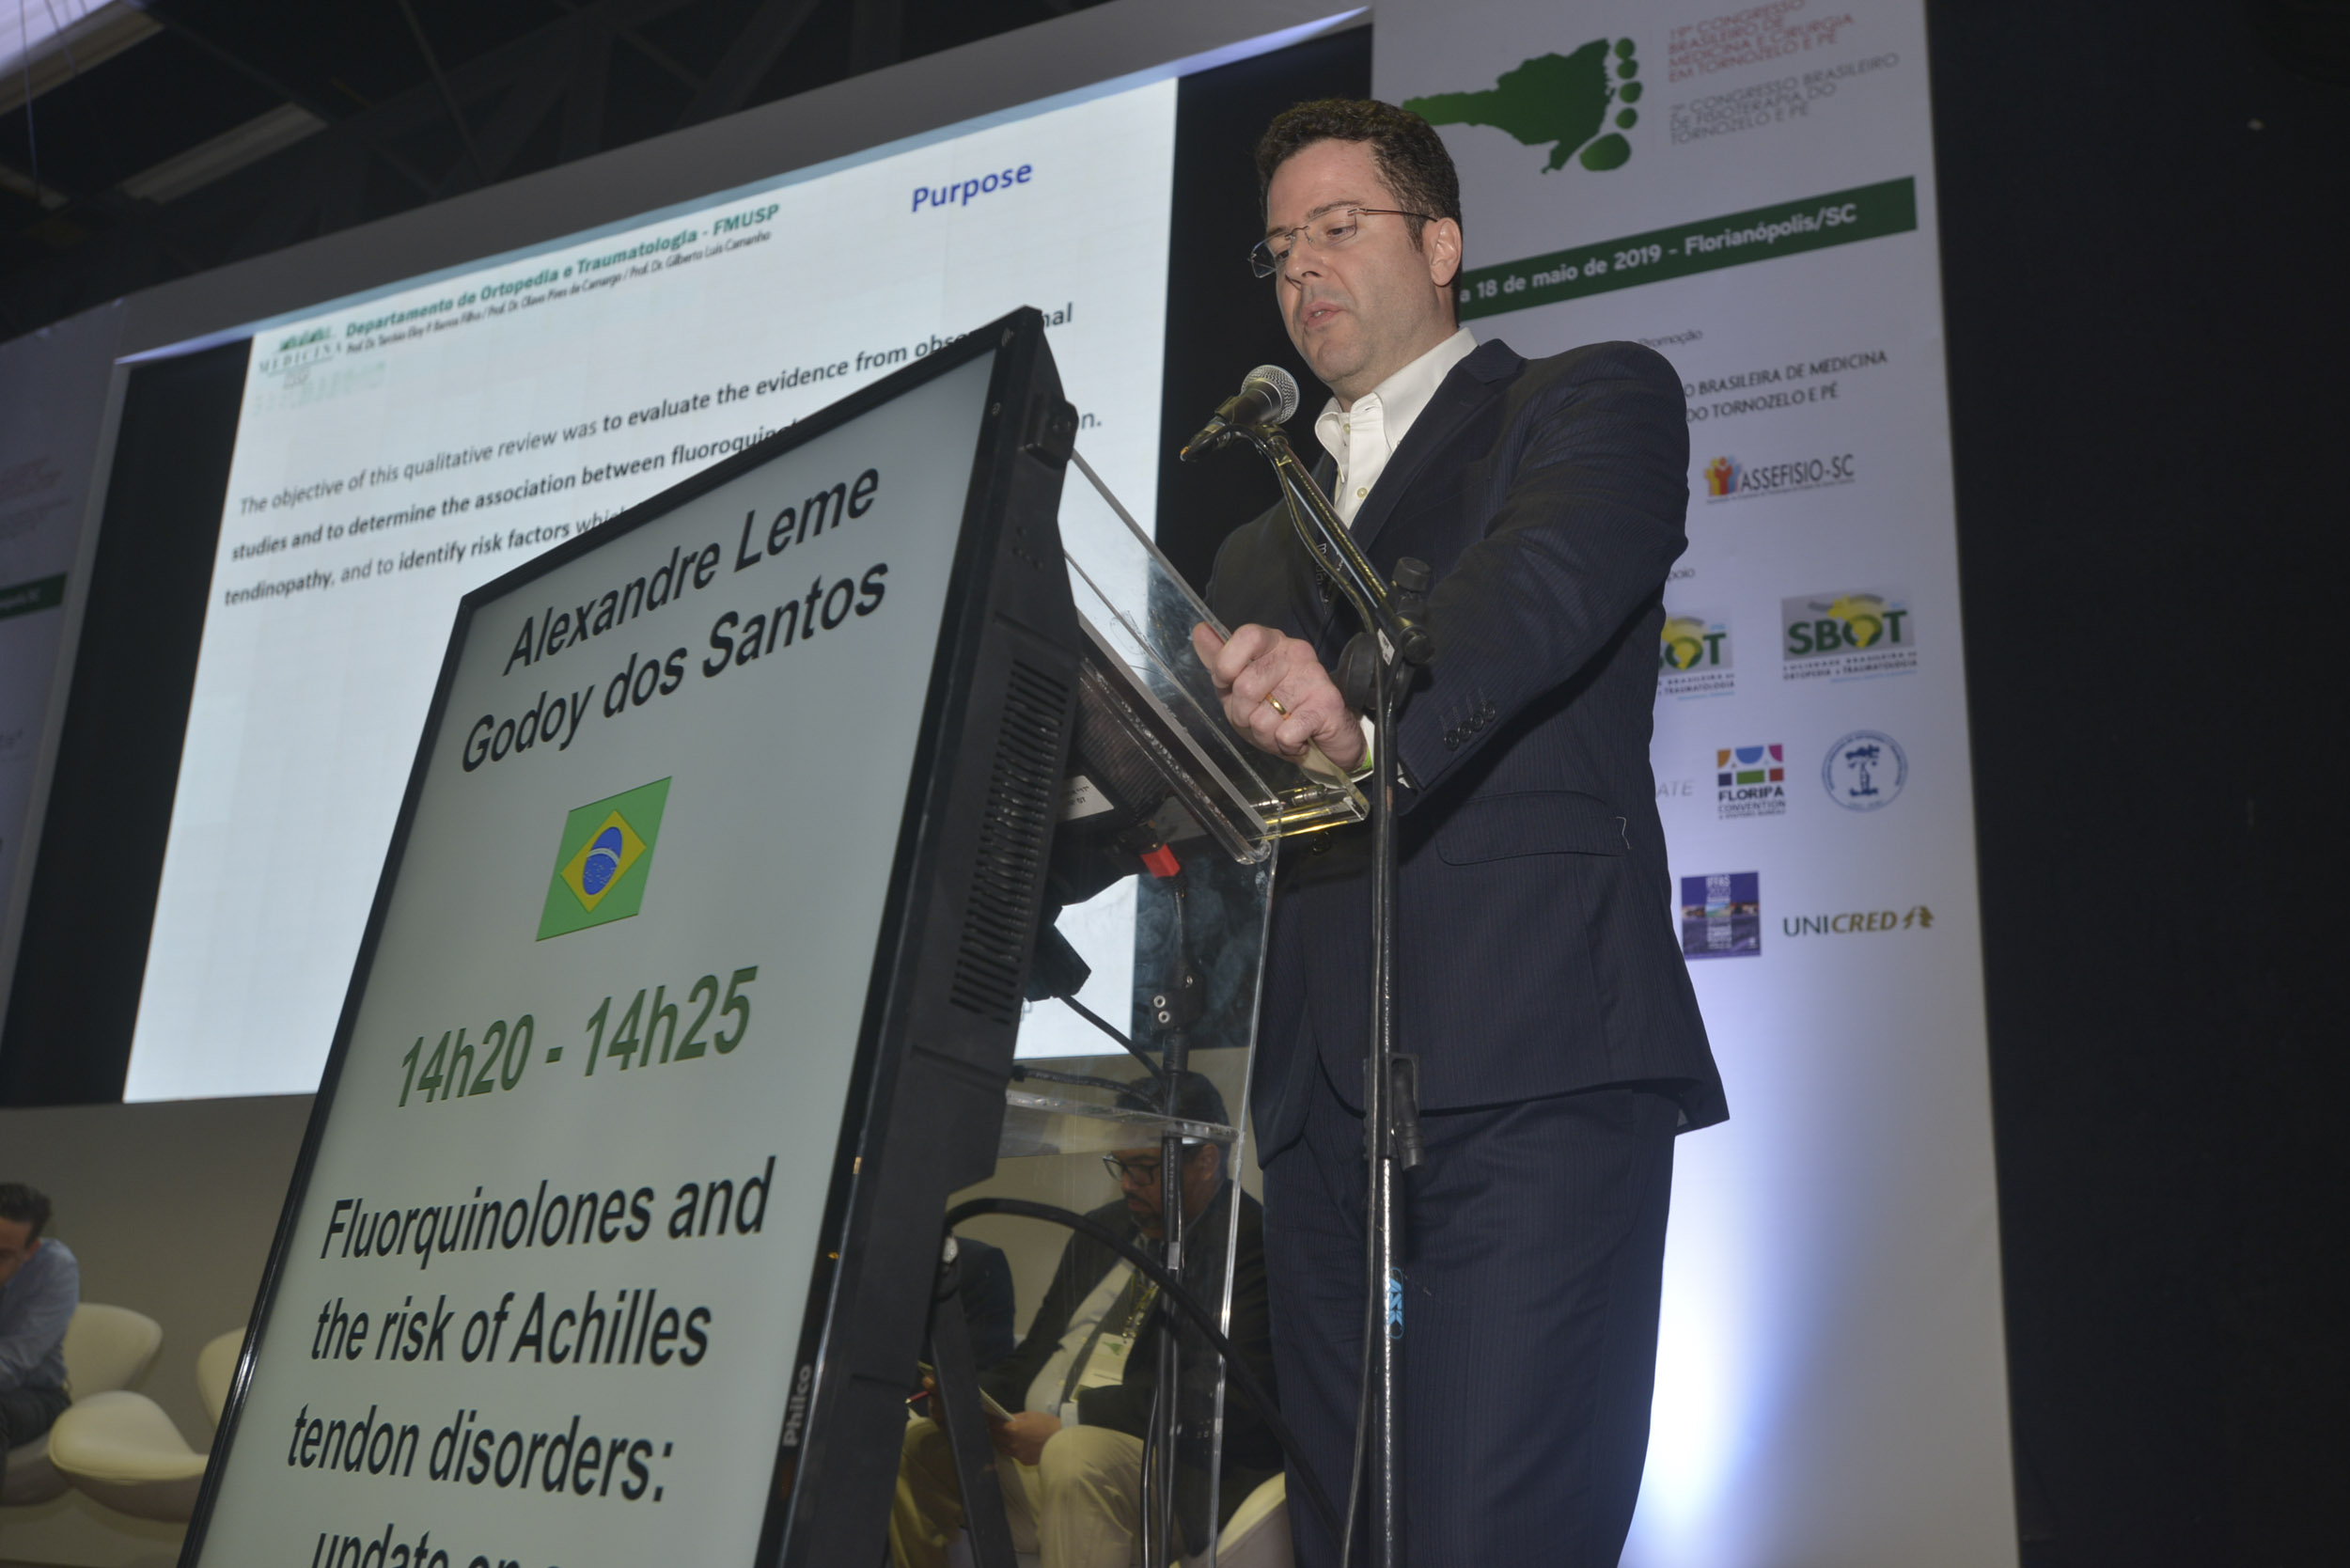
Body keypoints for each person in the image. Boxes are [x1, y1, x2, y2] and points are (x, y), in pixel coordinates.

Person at [1189, 99, 1727, 1566]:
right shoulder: (1251, 547)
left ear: (1442, 246)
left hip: (1531, 1063)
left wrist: (1366, 716)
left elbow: (1537, 585)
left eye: (1339, 227)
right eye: (1281, 247)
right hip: (1320, 1120)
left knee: (1498, 1534)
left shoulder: (1584, 401)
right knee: (1350, 1538)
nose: (1302, 267)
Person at [890, 1073, 1277, 1568]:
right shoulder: (1102, 1229)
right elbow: (1035, 1359)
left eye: (1144, 1169)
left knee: (1073, 1456)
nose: (1128, 1184)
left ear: (1205, 1162)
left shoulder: (1248, 1242)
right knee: (913, 1447)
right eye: (1121, 1165)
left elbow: (1220, 1395)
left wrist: (1066, 1425)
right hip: (1044, 1455)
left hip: (1169, 1475)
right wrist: (969, 1398)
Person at [0, 1183, 78, 1491]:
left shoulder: (55, 1268)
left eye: (2, 1255)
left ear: (30, 1252)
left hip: (35, 1393)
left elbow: (13, 1363)